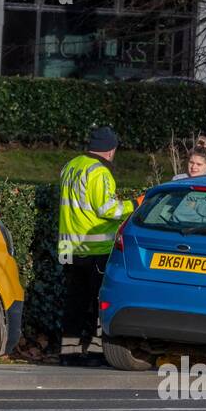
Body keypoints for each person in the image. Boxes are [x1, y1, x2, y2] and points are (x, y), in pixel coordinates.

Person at [56, 126, 135, 358]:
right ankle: (94, 352)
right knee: (99, 303)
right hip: (95, 248)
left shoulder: (71, 166)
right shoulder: (99, 172)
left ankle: (68, 353)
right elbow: (108, 209)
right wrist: (135, 205)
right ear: (111, 150)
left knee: (74, 303)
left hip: (70, 247)